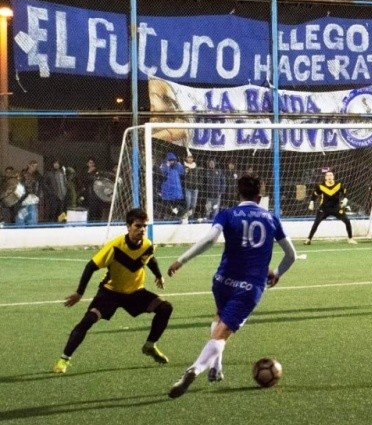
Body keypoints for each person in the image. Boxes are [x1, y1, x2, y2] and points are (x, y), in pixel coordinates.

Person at [165, 175, 297, 398]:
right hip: (249, 286)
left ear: (239, 193)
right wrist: (277, 273)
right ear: (260, 195)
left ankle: (216, 366)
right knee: (221, 333)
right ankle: (194, 370)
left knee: (219, 319)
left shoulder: (227, 214)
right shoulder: (271, 219)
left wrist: (182, 260)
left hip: (222, 281)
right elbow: (291, 255)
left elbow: (210, 239)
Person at [52, 208, 173, 374]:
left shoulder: (147, 244)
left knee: (165, 307)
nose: (142, 229)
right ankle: (63, 360)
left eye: (144, 226)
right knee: (88, 320)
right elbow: (90, 267)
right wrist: (80, 293)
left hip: (135, 292)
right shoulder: (115, 247)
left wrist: (159, 275)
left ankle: (150, 346)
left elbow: (149, 258)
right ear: (128, 227)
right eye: (138, 226)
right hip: (110, 293)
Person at [303, 170, 357, 245]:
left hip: (336, 208)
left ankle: (350, 238)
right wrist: (312, 202)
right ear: (325, 178)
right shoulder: (320, 186)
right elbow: (314, 194)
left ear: (333, 177)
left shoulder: (339, 185)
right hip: (324, 208)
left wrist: (345, 198)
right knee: (316, 222)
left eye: (331, 175)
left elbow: (345, 193)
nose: (329, 177)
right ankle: (308, 239)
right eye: (327, 175)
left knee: (347, 221)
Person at [159, 151, 185, 219]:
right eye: (170, 160)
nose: (172, 162)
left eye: (173, 160)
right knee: (167, 207)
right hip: (167, 192)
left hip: (176, 192)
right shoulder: (164, 166)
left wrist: (179, 164)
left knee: (176, 207)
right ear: (167, 160)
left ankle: (174, 217)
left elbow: (182, 172)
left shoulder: (177, 167)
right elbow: (162, 173)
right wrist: (167, 165)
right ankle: (166, 217)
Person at [16, 160, 42, 225]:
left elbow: (40, 186)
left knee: (32, 215)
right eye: (32, 166)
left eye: (35, 166)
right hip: (24, 198)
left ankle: (31, 229)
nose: (34, 168)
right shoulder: (22, 174)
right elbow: (19, 186)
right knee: (21, 216)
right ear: (28, 165)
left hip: (33, 197)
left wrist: (37, 196)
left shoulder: (37, 175)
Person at [182, 153, 201, 219]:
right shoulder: (184, 166)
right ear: (186, 158)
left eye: (191, 157)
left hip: (195, 189)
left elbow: (199, 177)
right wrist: (186, 171)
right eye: (188, 157)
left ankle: (191, 218)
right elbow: (182, 176)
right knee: (188, 204)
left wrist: (198, 185)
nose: (190, 159)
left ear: (193, 159)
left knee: (193, 205)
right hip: (188, 188)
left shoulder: (196, 167)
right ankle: (185, 218)